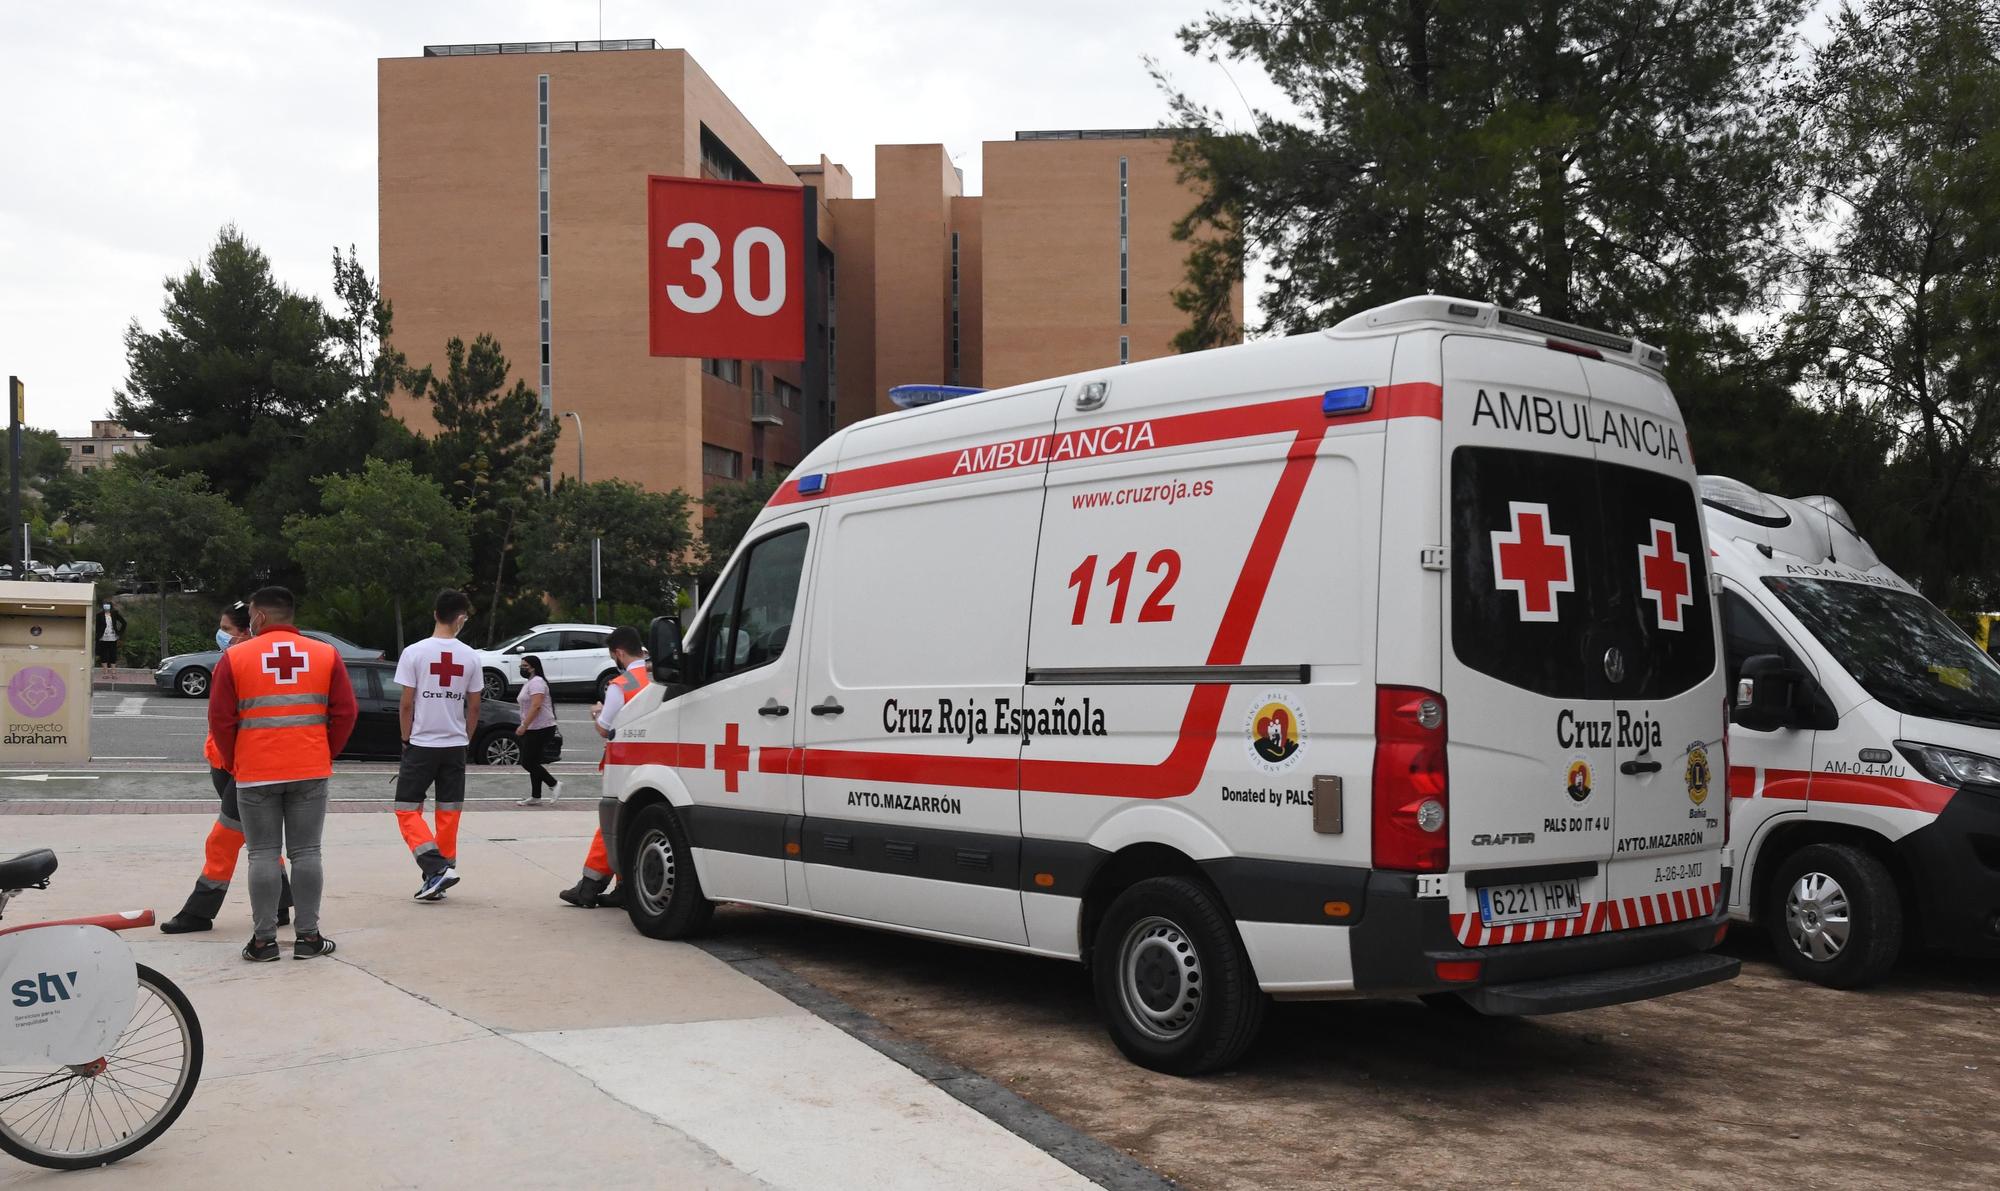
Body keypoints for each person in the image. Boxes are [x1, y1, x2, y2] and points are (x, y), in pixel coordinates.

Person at [209, 586, 355, 962]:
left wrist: (233, 760)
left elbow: (221, 719)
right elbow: (346, 713)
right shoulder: (326, 654)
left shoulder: (236, 657)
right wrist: (325, 751)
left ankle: (263, 942)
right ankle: (308, 938)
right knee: (307, 853)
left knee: (262, 854)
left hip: (255, 773)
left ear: (258, 617)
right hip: (309, 769)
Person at [160, 602, 295, 934]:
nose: (221, 635)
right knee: (258, 837)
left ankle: (199, 912)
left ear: (247, 630)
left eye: (227, 629)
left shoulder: (245, 662)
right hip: (228, 764)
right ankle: (279, 904)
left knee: (222, 840)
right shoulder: (243, 660)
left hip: (246, 767)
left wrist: (236, 762)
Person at [394, 589, 481, 901]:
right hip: (455, 744)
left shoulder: (414, 653)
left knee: (406, 809)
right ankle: (440, 875)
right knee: (448, 812)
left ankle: (436, 869)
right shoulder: (471, 656)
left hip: (422, 743)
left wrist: (405, 739)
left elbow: (406, 704)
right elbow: (474, 707)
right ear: (460, 619)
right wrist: (465, 739)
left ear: (435, 614)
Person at [559, 627, 648, 908]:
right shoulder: (657, 679)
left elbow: (605, 729)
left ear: (619, 653)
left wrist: (596, 713)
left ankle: (589, 887)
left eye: (614, 657)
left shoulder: (621, 685)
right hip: (657, 759)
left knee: (612, 824)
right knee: (635, 823)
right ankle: (624, 887)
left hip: (625, 761)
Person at [513, 654, 562, 806]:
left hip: (542, 727)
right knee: (533, 761)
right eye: (521, 666)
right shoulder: (530, 682)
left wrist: (524, 725)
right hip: (535, 727)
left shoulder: (537, 683)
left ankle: (554, 784)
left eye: (525, 666)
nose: (522, 669)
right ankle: (536, 796)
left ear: (533, 667)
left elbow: (536, 705)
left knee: (527, 762)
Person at [95, 601, 127, 669]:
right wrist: (98, 635)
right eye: (105, 605)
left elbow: (124, 623)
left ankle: (113, 672)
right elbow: (97, 626)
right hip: (103, 638)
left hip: (113, 637)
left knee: (113, 654)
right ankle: (105, 672)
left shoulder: (114, 614)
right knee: (103, 655)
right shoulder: (99, 615)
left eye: (107, 605)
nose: (106, 607)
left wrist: (119, 633)